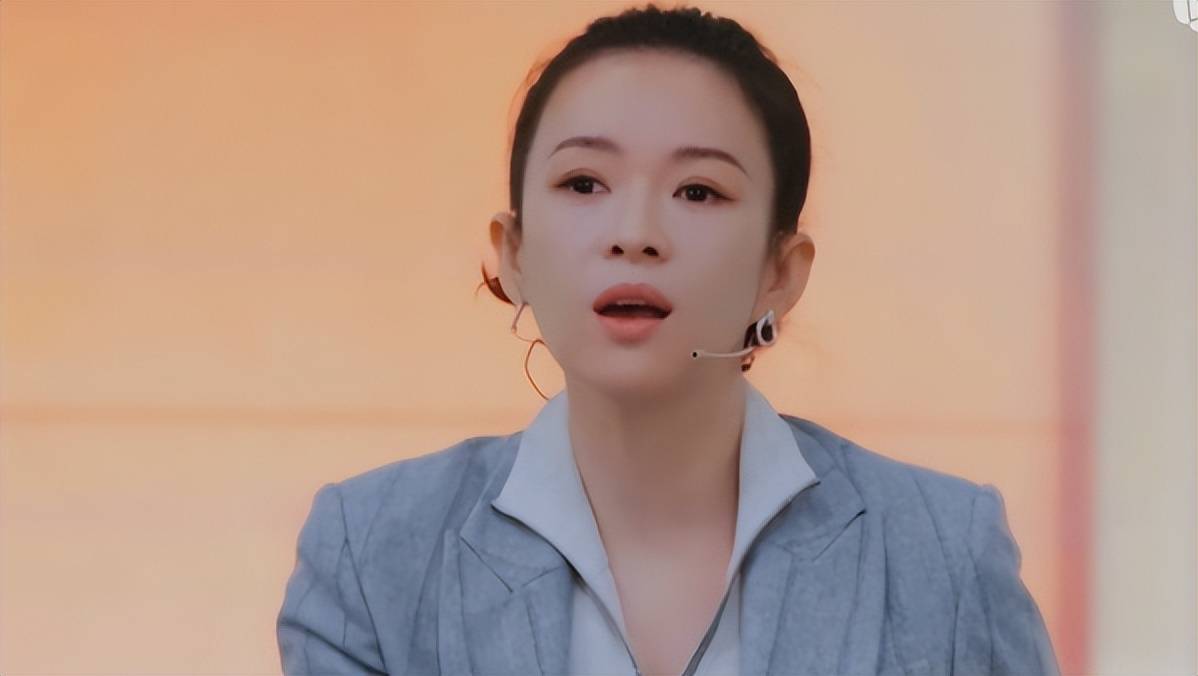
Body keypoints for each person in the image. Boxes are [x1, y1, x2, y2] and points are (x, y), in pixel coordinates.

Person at [276, 4, 1061, 675]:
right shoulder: (374, 551)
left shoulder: (942, 552)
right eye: (584, 183)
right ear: (513, 254)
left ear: (781, 273)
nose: (635, 233)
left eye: (699, 191)